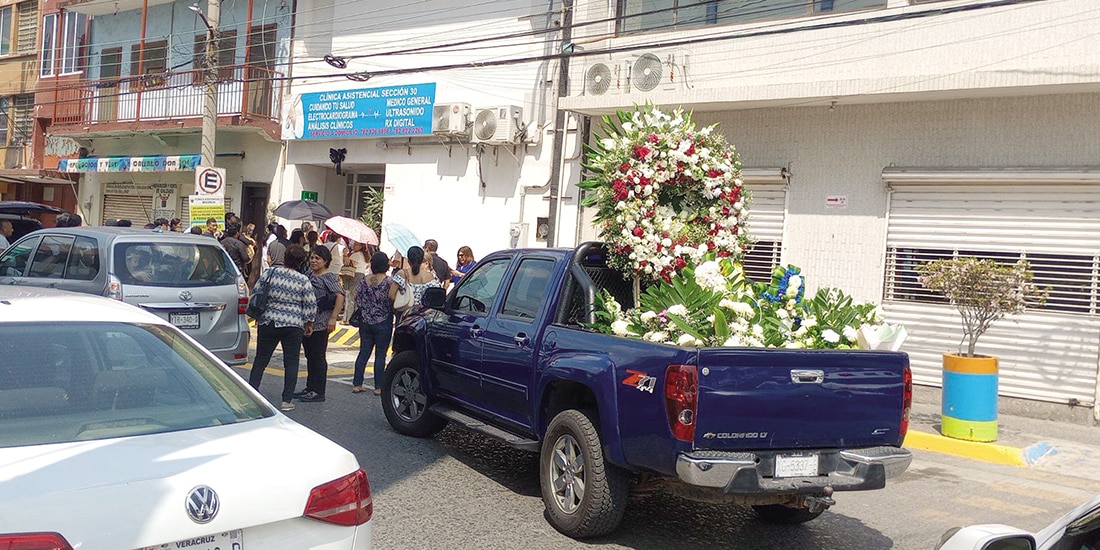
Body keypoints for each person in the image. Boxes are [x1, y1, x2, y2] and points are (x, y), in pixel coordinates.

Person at [248, 244, 316, 412]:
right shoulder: (303, 280)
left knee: (261, 359)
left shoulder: (270, 273)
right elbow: (310, 304)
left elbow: (257, 291)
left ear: (285, 258)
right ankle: (286, 400)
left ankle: (251, 393)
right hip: (293, 324)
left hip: (268, 321)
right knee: (291, 362)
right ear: (301, 262)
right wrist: (309, 322)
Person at [295, 245, 345, 403]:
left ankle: (318, 391)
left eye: (318, 258)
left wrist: (333, 317)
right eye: (312, 258)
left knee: (318, 357)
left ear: (326, 261)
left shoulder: (329, 277)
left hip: (321, 322)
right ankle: (310, 387)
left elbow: (340, 296)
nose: (313, 261)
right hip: (306, 322)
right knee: (310, 356)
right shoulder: (308, 275)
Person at [353, 251, 397, 395]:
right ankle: (378, 387)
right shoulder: (389, 282)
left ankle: (357, 384)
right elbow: (393, 299)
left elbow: (357, 297)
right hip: (383, 321)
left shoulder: (364, 280)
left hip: (365, 321)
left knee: (364, 352)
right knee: (380, 354)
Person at [392, 246, 442, 323]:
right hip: (425, 317)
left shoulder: (402, 274)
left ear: (408, 261)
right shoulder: (432, 276)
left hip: (405, 315)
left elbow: (391, 295)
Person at [343, 241, 369, 322]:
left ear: (361, 246)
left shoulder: (356, 255)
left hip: (354, 276)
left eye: (356, 244)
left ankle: (347, 318)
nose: (353, 246)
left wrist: (345, 255)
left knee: (350, 296)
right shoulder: (365, 255)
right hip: (361, 275)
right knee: (357, 298)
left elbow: (349, 263)